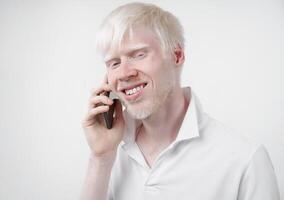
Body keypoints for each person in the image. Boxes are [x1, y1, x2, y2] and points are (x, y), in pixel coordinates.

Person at [81, 2, 280, 200]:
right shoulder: (110, 150)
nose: (124, 73)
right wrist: (101, 158)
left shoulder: (245, 160)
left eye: (139, 54)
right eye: (114, 63)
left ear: (176, 55)